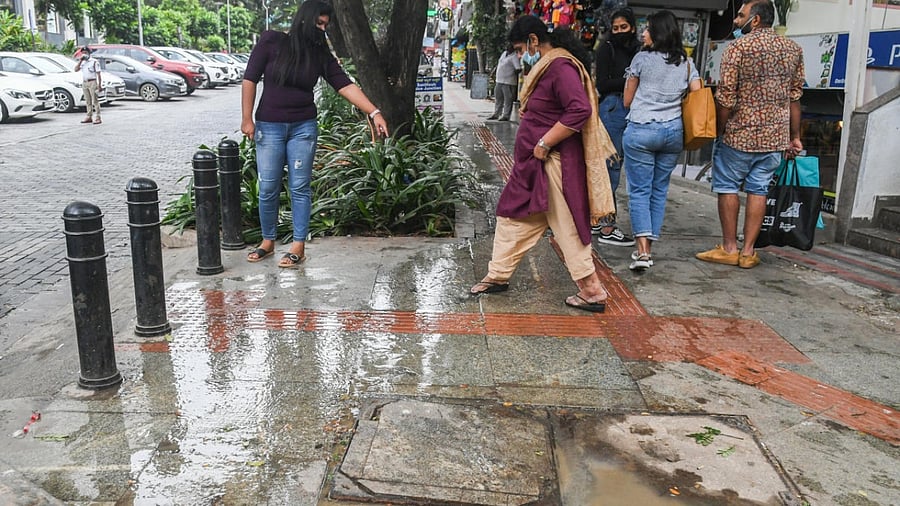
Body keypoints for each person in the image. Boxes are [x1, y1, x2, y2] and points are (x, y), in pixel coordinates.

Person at [469, 15, 618, 313]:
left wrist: (544, 142)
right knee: (513, 217)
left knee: (568, 227)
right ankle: (498, 274)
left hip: (554, 164)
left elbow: (579, 110)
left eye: (520, 49)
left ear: (534, 40)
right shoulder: (549, 67)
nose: (520, 56)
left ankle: (592, 290)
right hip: (535, 165)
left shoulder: (561, 67)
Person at [241, 0, 388, 268]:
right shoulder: (271, 41)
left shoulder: (319, 53)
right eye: (319, 23)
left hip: (303, 128)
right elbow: (250, 78)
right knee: (268, 186)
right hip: (269, 126)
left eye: (325, 25)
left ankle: (298, 245)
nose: (322, 29)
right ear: (305, 19)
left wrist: (374, 111)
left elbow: (344, 84)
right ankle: (267, 241)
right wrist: (246, 118)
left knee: (299, 187)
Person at [696, 0, 804, 269]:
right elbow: (795, 97)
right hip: (774, 137)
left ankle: (729, 248)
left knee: (727, 187)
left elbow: (726, 97)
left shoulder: (737, 48)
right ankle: (747, 252)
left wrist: (719, 130)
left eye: (740, 15)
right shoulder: (793, 49)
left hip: (738, 134)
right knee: (759, 189)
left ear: (755, 20)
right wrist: (794, 136)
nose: (735, 21)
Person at [622, 10, 701, 271]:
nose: (643, 33)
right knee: (658, 190)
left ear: (658, 33)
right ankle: (648, 248)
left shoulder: (641, 59)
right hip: (672, 133)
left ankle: (642, 252)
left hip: (642, 129)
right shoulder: (686, 63)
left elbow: (627, 100)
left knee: (639, 191)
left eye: (647, 29)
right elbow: (697, 92)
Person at [592, 7, 641, 247]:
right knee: (609, 167)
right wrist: (632, 80)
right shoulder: (606, 48)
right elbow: (602, 83)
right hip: (613, 109)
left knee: (621, 168)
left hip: (634, 110)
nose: (620, 31)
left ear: (633, 27)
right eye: (616, 28)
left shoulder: (640, 50)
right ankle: (607, 226)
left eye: (624, 27)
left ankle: (598, 220)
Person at [488, 45, 521, 121]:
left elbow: (518, 69)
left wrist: (511, 74)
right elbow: (499, 63)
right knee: (498, 98)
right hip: (499, 80)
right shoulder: (504, 53)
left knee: (508, 100)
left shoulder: (514, 57)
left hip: (508, 82)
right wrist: (494, 71)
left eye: (509, 47)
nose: (507, 47)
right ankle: (497, 113)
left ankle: (506, 115)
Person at [74, 47, 102, 125]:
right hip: (85, 82)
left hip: (92, 82)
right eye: (83, 53)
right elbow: (76, 69)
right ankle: (89, 116)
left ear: (89, 53)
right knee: (88, 101)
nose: (84, 54)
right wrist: (80, 61)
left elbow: (98, 74)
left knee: (95, 100)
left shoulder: (94, 62)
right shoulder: (83, 62)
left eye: (86, 52)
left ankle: (98, 117)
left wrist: (99, 85)